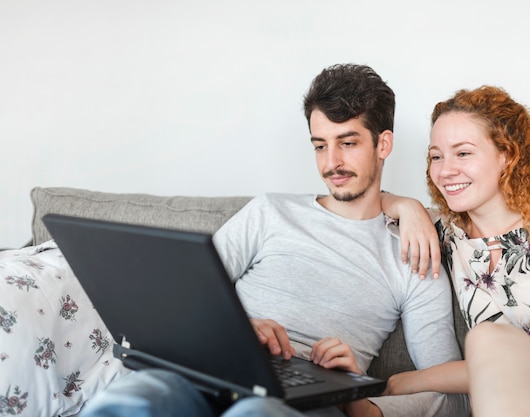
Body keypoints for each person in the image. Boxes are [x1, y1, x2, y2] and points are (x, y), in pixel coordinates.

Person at [78, 64, 470, 417]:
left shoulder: (416, 253)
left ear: (382, 144)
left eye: (347, 143)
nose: (330, 162)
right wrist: (238, 326)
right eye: (320, 145)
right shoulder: (268, 213)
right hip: (213, 369)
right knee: (139, 396)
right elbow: (178, 300)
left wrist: (362, 404)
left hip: (305, 401)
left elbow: (451, 398)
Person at [382, 85, 530, 417]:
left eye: (463, 153)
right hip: (526, 405)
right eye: (436, 156)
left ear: (506, 155)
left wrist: (417, 380)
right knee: (488, 339)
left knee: (487, 339)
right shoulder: (450, 235)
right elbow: (368, 208)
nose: (445, 170)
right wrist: (404, 204)